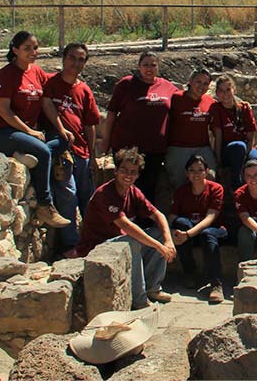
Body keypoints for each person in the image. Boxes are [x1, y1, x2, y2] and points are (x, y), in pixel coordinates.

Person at [0, 31, 70, 228]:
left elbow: (47, 103)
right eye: (27, 48)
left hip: (22, 132)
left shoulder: (37, 72)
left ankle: (20, 152)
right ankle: (45, 205)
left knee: (63, 140)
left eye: (35, 48)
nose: (33, 52)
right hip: (0, 130)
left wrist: (61, 128)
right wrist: (29, 132)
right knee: (43, 151)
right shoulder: (7, 74)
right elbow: (4, 111)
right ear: (15, 50)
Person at [70, 148, 176, 309]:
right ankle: (139, 300)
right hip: (98, 246)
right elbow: (126, 225)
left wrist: (167, 242)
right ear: (116, 171)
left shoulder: (133, 191)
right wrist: (158, 246)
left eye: (133, 172)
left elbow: (158, 215)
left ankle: (152, 288)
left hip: (120, 241)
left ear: (138, 175)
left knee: (157, 234)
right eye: (124, 171)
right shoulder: (105, 194)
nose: (128, 175)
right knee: (133, 241)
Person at [41, 42, 101, 250]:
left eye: (81, 59)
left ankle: (93, 241)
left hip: (81, 151)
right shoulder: (50, 83)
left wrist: (93, 155)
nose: (76, 63)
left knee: (88, 198)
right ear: (64, 58)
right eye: (72, 58)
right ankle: (70, 245)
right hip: (61, 150)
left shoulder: (84, 90)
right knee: (68, 196)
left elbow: (90, 124)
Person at [102, 51, 179, 203]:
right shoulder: (126, 84)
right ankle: (121, 219)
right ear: (139, 66)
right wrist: (106, 140)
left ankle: (144, 223)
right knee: (125, 185)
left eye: (153, 65)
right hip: (127, 147)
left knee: (149, 188)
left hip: (155, 148)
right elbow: (111, 114)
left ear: (158, 67)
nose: (149, 68)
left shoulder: (168, 87)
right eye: (145, 65)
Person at [168, 154, 226, 304]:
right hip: (190, 232)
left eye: (200, 170)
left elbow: (210, 218)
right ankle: (189, 273)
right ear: (187, 173)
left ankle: (216, 284)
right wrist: (171, 235)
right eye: (192, 170)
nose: (196, 174)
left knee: (207, 234)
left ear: (206, 172)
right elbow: (173, 216)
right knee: (180, 223)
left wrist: (188, 234)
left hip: (214, 229)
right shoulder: (181, 191)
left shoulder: (216, 189)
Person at [210, 74, 257, 189]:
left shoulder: (244, 108)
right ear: (217, 93)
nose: (225, 94)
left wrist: (247, 154)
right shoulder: (216, 109)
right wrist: (218, 162)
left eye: (228, 89)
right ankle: (237, 186)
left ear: (234, 89)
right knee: (238, 147)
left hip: (246, 148)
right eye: (221, 90)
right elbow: (218, 137)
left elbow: (250, 135)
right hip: (228, 151)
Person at [165, 69, 216, 191]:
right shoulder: (176, 98)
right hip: (178, 146)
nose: (201, 86)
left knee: (211, 177)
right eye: (198, 81)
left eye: (205, 83)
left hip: (202, 146)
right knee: (179, 182)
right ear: (190, 81)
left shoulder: (210, 101)